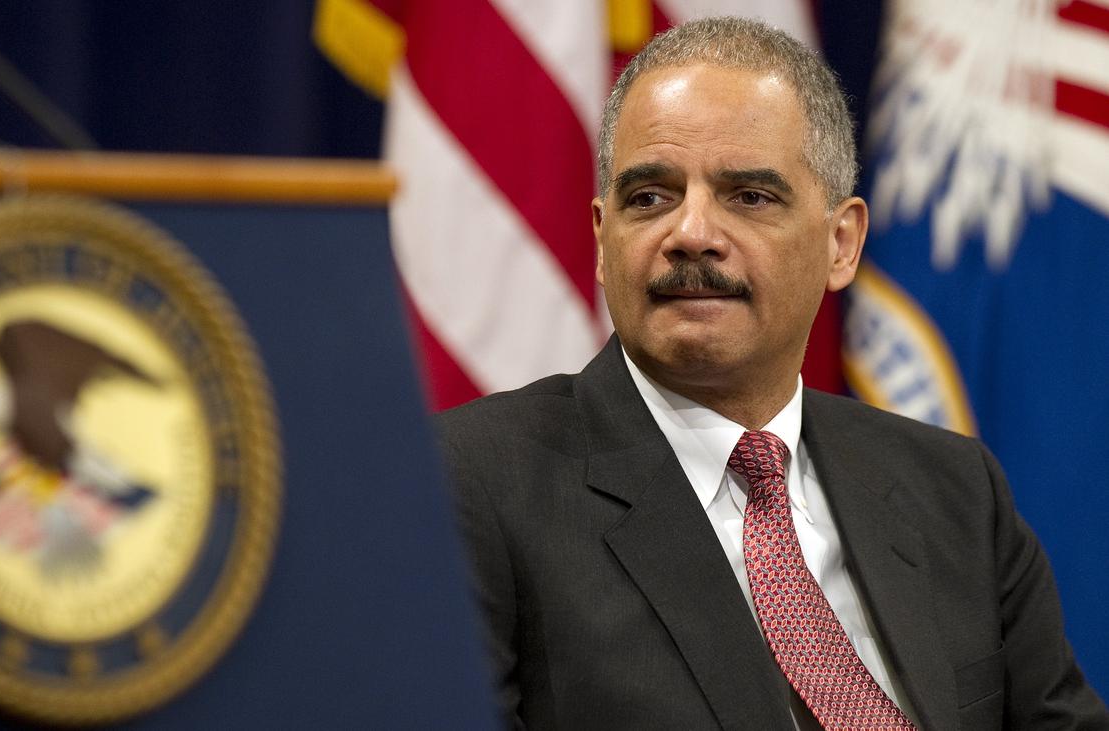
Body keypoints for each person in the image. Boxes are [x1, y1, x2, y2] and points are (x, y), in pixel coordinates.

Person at [436, 16, 1109, 731]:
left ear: (841, 243)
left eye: (748, 196)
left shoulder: (956, 491)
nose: (691, 233)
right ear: (603, 242)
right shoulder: (471, 484)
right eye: (650, 197)